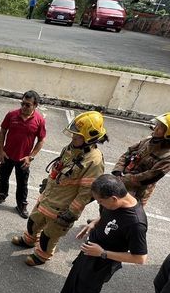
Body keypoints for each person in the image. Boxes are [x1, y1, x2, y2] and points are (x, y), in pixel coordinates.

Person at [46, 174, 148, 293]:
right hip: (90, 250)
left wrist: (103, 253)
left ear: (114, 198)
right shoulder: (117, 203)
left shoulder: (136, 223)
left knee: (85, 292)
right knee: (75, 275)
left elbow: (140, 258)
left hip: (102, 262)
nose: (100, 204)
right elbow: (108, 215)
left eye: (101, 201)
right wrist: (94, 223)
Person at [11, 111, 107, 266]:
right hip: (48, 198)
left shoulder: (94, 161)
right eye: (73, 134)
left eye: (77, 136)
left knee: (49, 235)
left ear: (89, 138)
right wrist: (47, 182)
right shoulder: (70, 148)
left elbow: (86, 193)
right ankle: (28, 240)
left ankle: (42, 255)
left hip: (62, 208)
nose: (73, 138)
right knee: (33, 221)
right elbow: (59, 168)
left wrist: (71, 213)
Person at [0, 90, 46, 218]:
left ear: (35, 105)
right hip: (7, 155)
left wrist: (30, 157)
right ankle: (2, 195)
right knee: (3, 177)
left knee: (22, 183)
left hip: (23, 159)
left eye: (28, 105)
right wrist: (1, 150)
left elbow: (41, 140)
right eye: (22, 103)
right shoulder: (11, 115)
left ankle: (21, 205)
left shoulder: (39, 120)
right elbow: (2, 132)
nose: (24, 107)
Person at [112, 112, 170, 206]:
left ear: (169, 133)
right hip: (122, 181)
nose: (155, 128)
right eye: (157, 125)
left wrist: (121, 180)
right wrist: (118, 170)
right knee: (109, 205)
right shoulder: (148, 140)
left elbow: (149, 177)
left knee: (124, 215)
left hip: (137, 192)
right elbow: (128, 153)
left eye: (160, 128)